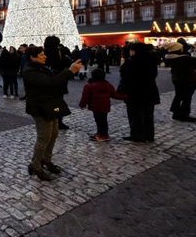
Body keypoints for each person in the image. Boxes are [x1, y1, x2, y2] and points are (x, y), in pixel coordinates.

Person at [23, 45, 82, 181]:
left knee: (54, 134)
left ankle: (46, 160)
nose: (45, 56)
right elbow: (49, 82)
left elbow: (54, 79)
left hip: (50, 104)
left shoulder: (41, 67)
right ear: (32, 57)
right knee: (44, 137)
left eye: (44, 54)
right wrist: (69, 71)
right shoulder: (29, 71)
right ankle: (36, 165)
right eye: (41, 55)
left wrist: (68, 70)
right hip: (39, 107)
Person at [118, 43, 160, 142]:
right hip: (149, 91)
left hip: (134, 92)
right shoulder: (151, 60)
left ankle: (137, 134)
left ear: (134, 51)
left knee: (135, 114)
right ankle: (149, 135)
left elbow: (125, 77)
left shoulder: (131, 62)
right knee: (148, 115)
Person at [79, 68, 126, 142]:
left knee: (99, 120)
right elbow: (114, 95)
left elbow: (85, 97)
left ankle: (102, 135)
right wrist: (126, 97)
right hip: (105, 106)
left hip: (96, 106)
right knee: (103, 120)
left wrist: (82, 105)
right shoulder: (108, 85)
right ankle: (102, 134)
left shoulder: (89, 86)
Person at [165, 41, 196, 122]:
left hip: (176, 79)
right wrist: (194, 53)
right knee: (187, 98)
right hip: (188, 79)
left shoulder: (169, 57)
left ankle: (176, 113)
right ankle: (184, 115)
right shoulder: (186, 58)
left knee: (178, 96)